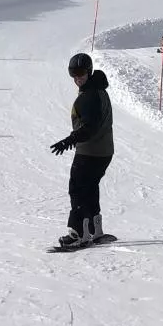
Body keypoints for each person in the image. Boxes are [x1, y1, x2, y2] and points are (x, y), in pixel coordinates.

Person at [49, 53, 113, 248]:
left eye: (81, 73)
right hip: (103, 151)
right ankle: (95, 230)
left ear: (89, 71)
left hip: (90, 152)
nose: (77, 78)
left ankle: (77, 233)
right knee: (90, 188)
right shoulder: (98, 90)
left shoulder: (89, 96)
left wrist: (69, 140)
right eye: (73, 74)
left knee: (77, 190)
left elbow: (89, 127)